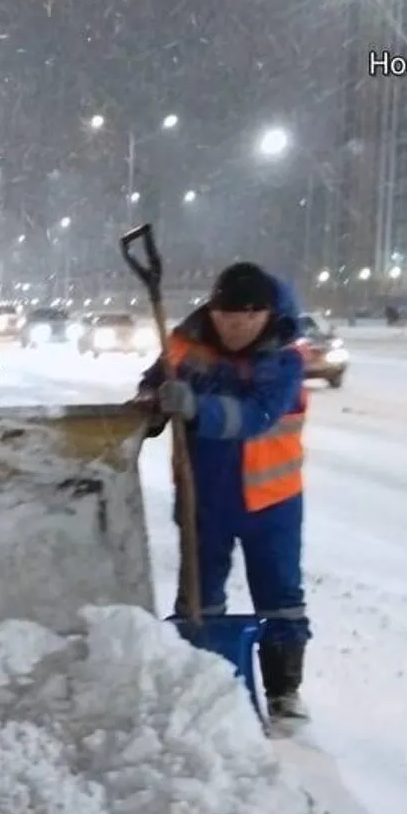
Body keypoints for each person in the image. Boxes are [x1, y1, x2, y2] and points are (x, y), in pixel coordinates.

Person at [137, 262, 310, 726]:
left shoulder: (285, 360)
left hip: (272, 501)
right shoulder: (185, 348)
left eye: (246, 320)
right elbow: (152, 388)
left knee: (280, 596)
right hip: (203, 496)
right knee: (198, 596)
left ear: (266, 315)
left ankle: (283, 691)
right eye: (225, 318)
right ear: (211, 311)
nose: (234, 329)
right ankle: (198, 677)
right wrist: (153, 406)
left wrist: (194, 406)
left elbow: (257, 415)